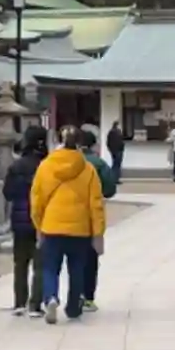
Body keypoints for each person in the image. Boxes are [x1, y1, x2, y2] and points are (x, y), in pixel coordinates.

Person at [31, 126, 106, 323]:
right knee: (77, 268)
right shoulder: (88, 169)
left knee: (50, 267)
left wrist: (38, 225)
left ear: (58, 142)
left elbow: (37, 200)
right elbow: (96, 204)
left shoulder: (46, 166)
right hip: (80, 228)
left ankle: (51, 297)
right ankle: (73, 307)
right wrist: (98, 232)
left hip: (52, 225)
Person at [2, 125, 48, 315]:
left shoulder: (16, 166)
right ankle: (35, 304)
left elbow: (8, 192)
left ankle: (19, 303)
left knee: (20, 263)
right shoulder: (47, 165)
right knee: (41, 264)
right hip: (42, 219)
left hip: (19, 218)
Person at [77, 126, 118, 312]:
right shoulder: (99, 164)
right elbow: (109, 189)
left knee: (73, 258)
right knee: (90, 258)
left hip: (68, 214)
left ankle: (74, 294)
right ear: (94, 145)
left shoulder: (67, 161)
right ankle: (88, 297)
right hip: (92, 214)